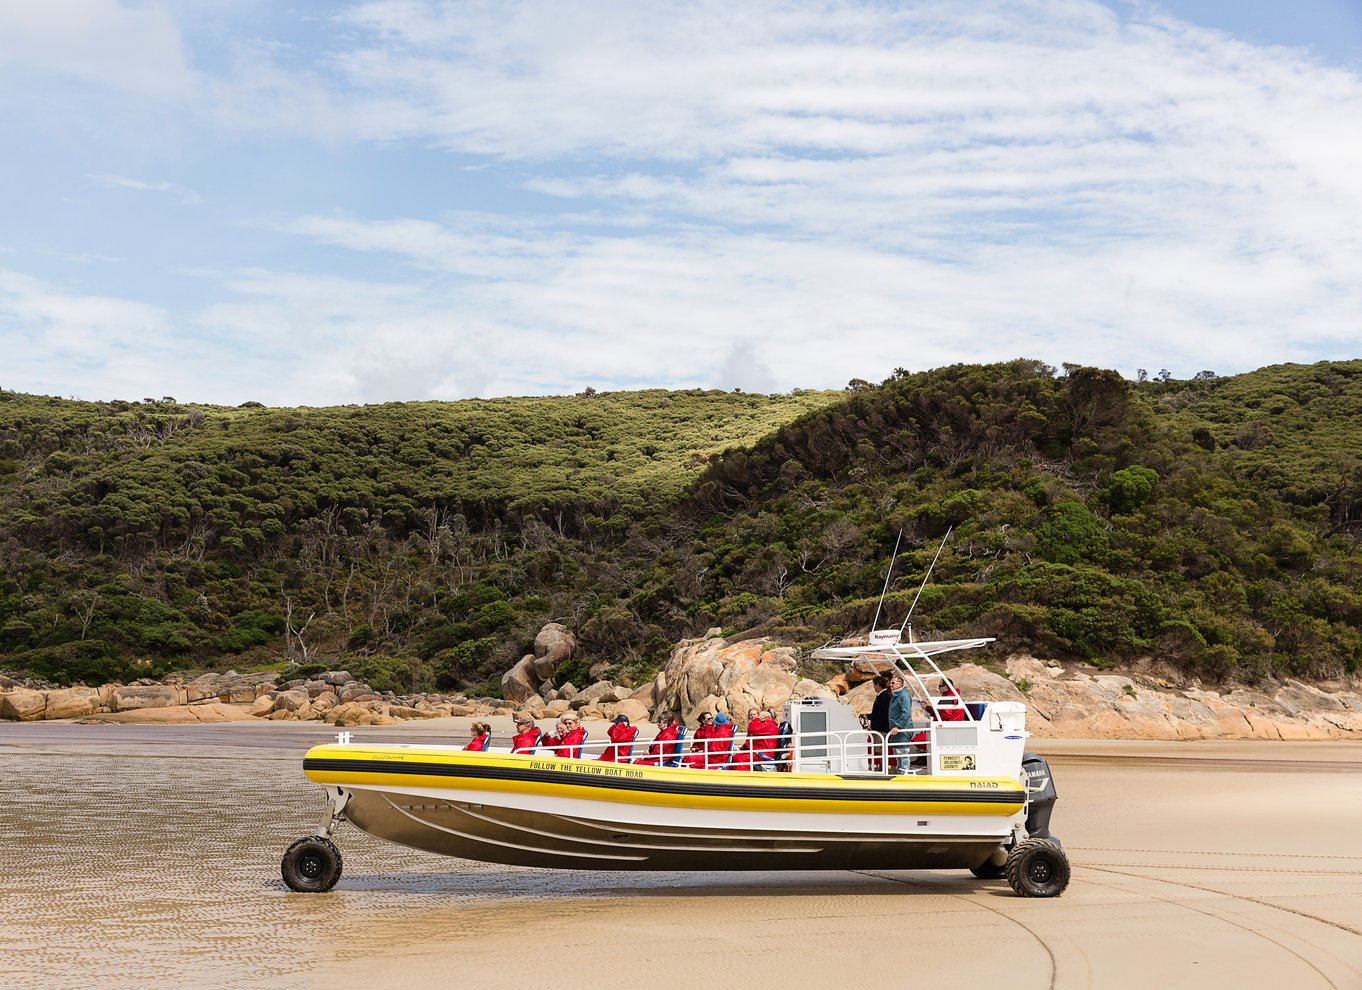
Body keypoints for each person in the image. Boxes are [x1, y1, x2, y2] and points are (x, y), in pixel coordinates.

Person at [886, 674, 914, 774]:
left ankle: (904, 773)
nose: (891, 685)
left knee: (903, 753)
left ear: (900, 684)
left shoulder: (903, 695)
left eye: (893, 683)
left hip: (902, 730)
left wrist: (898, 726)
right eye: (890, 683)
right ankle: (900, 773)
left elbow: (906, 713)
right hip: (896, 730)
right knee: (898, 754)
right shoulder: (896, 695)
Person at [869, 673, 893, 771]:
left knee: (881, 750)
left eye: (874, 685)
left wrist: (875, 726)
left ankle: (884, 769)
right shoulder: (882, 696)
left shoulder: (884, 697)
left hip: (881, 729)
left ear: (878, 685)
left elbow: (883, 714)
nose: (874, 687)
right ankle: (882, 768)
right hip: (880, 728)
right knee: (880, 750)